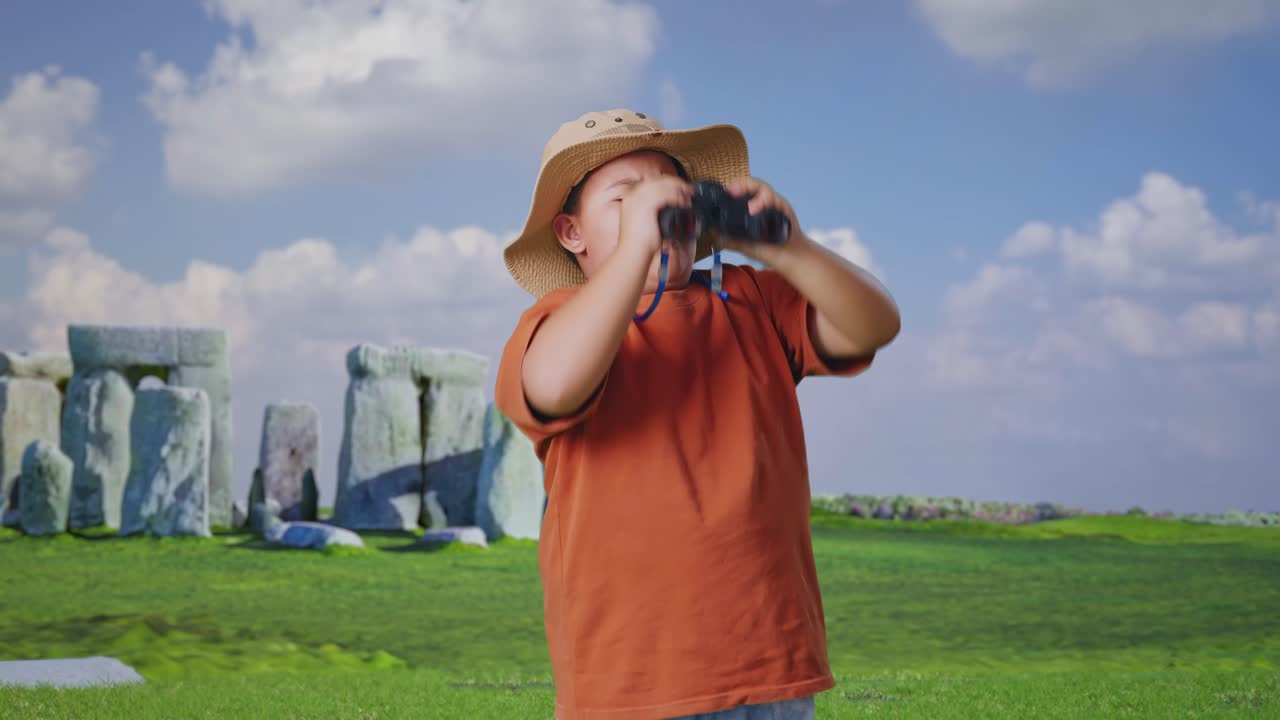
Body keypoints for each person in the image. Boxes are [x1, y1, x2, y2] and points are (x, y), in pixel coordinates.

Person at [494, 109, 900, 720]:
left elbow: (874, 325)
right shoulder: (559, 322)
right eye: (624, 198)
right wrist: (637, 249)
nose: (653, 214)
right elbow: (553, 386)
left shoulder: (753, 301)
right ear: (572, 233)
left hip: (771, 664)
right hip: (629, 680)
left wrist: (790, 249)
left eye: (669, 198)